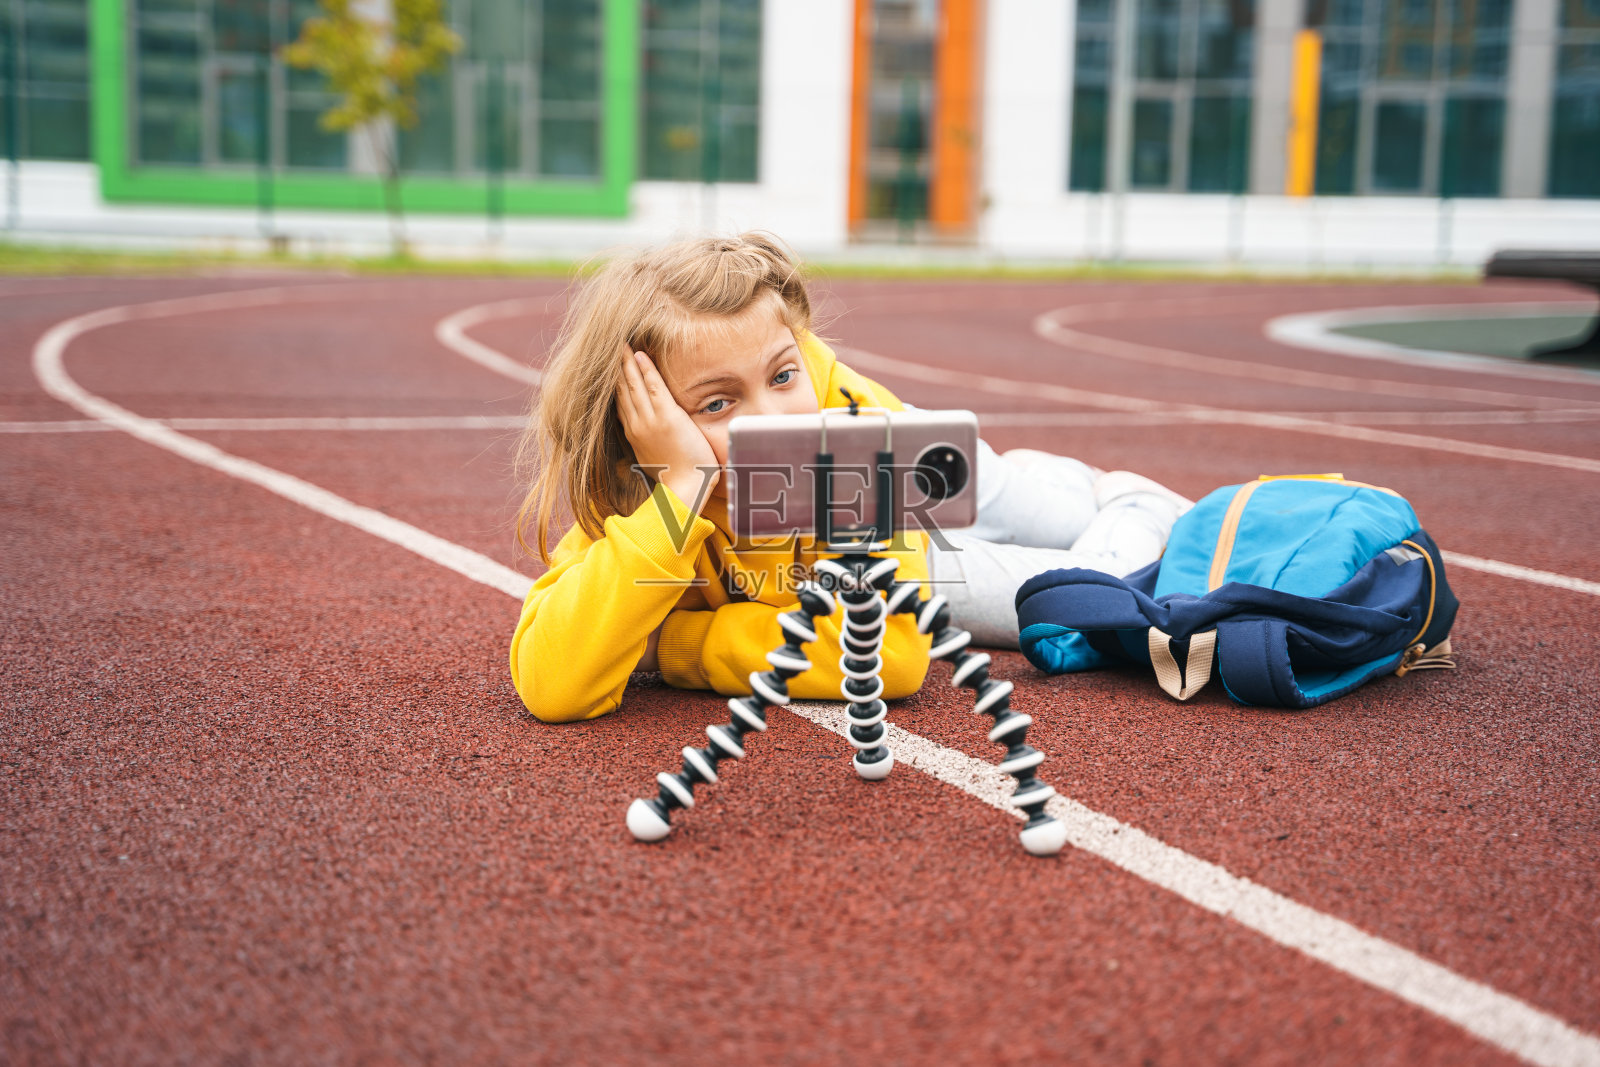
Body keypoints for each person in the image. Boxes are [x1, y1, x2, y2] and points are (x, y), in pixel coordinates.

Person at [510, 232, 1189, 723]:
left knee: (1084, 571)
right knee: (1061, 602)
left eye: (783, 375)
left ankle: (1132, 500)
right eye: (717, 403)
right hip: (874, 548)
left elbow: (889, 658)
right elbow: (551, 681)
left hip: (911, 460)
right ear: (645, 423)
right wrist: (682, 493)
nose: (773, 419)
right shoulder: (640, 484)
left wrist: (675, 646)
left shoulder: (852, 428)